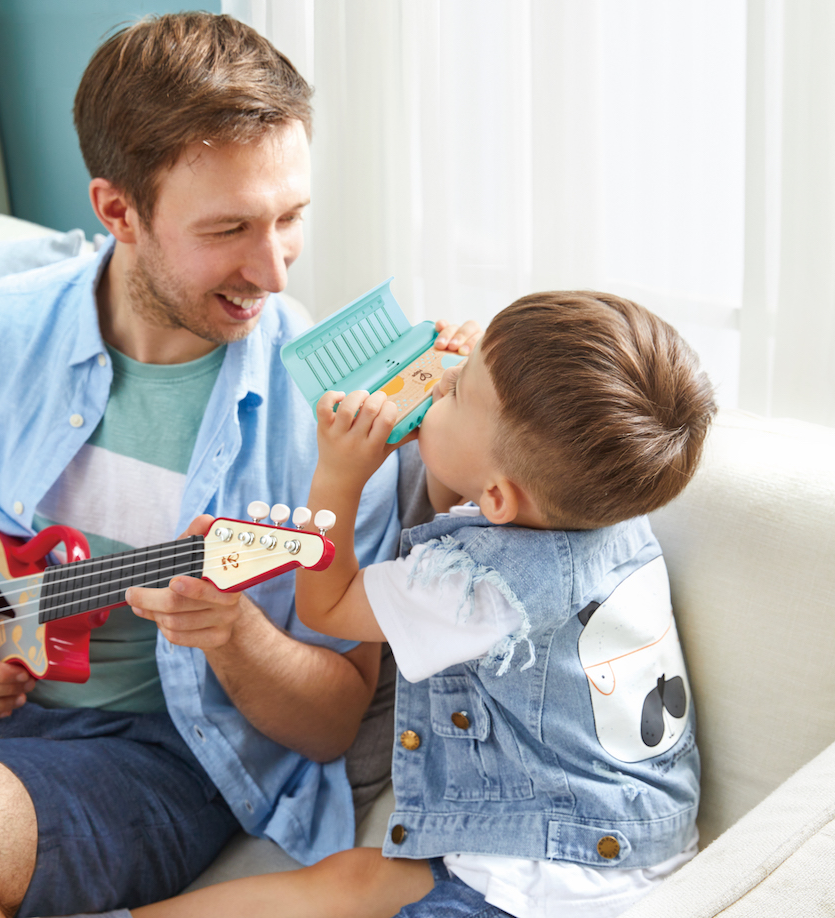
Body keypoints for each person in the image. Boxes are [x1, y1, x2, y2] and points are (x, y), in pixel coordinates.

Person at [0, 12, 480, 918]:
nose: (271, 268)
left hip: (152, 751)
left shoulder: (337, 421)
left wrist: (235, 634)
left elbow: (337, 716)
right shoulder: (0, 329)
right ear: (118, 211)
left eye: (291, 217)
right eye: (228, 228)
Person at [107, 290, 717, 918]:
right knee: (349, 881)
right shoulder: (609, 511)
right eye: (467, 359)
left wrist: (339, 476)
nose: (441, 375)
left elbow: (329, 604)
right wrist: (471, 394)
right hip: (634, 837)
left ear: (501, 495)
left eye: (456, 390)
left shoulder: (478, 588)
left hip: (541, 888)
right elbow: (474, 499)